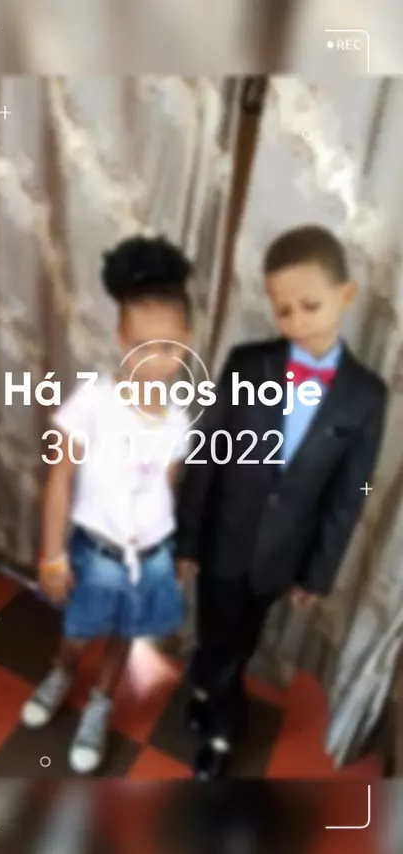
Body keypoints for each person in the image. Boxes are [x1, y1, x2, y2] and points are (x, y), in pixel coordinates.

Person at [176, 225, 388, 779]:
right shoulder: (248, 363)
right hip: (222, 537)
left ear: (346, 295)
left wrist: (318, 574)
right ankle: (217, 711)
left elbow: (352, 492)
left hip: (281, 556)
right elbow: (207, 451)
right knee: (215, 628)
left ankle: (215, 702)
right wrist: (187, 538)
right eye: (283, 310)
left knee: (241, 638)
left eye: (309, 305)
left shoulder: (366, 395)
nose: (296, 321)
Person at [20, 235, 193, 774]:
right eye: (142, 346)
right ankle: (61, 673)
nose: (155, 362)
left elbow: (166, 489)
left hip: (149, 557)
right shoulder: (93, 400)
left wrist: (175, 550)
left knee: (125, 633)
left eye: (169, 348)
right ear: (120, 337)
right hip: (94, 553)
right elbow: (60, 479)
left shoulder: (179, 419)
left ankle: (101, 702)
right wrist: (53, 554)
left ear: (186, 343)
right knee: (78, 630)